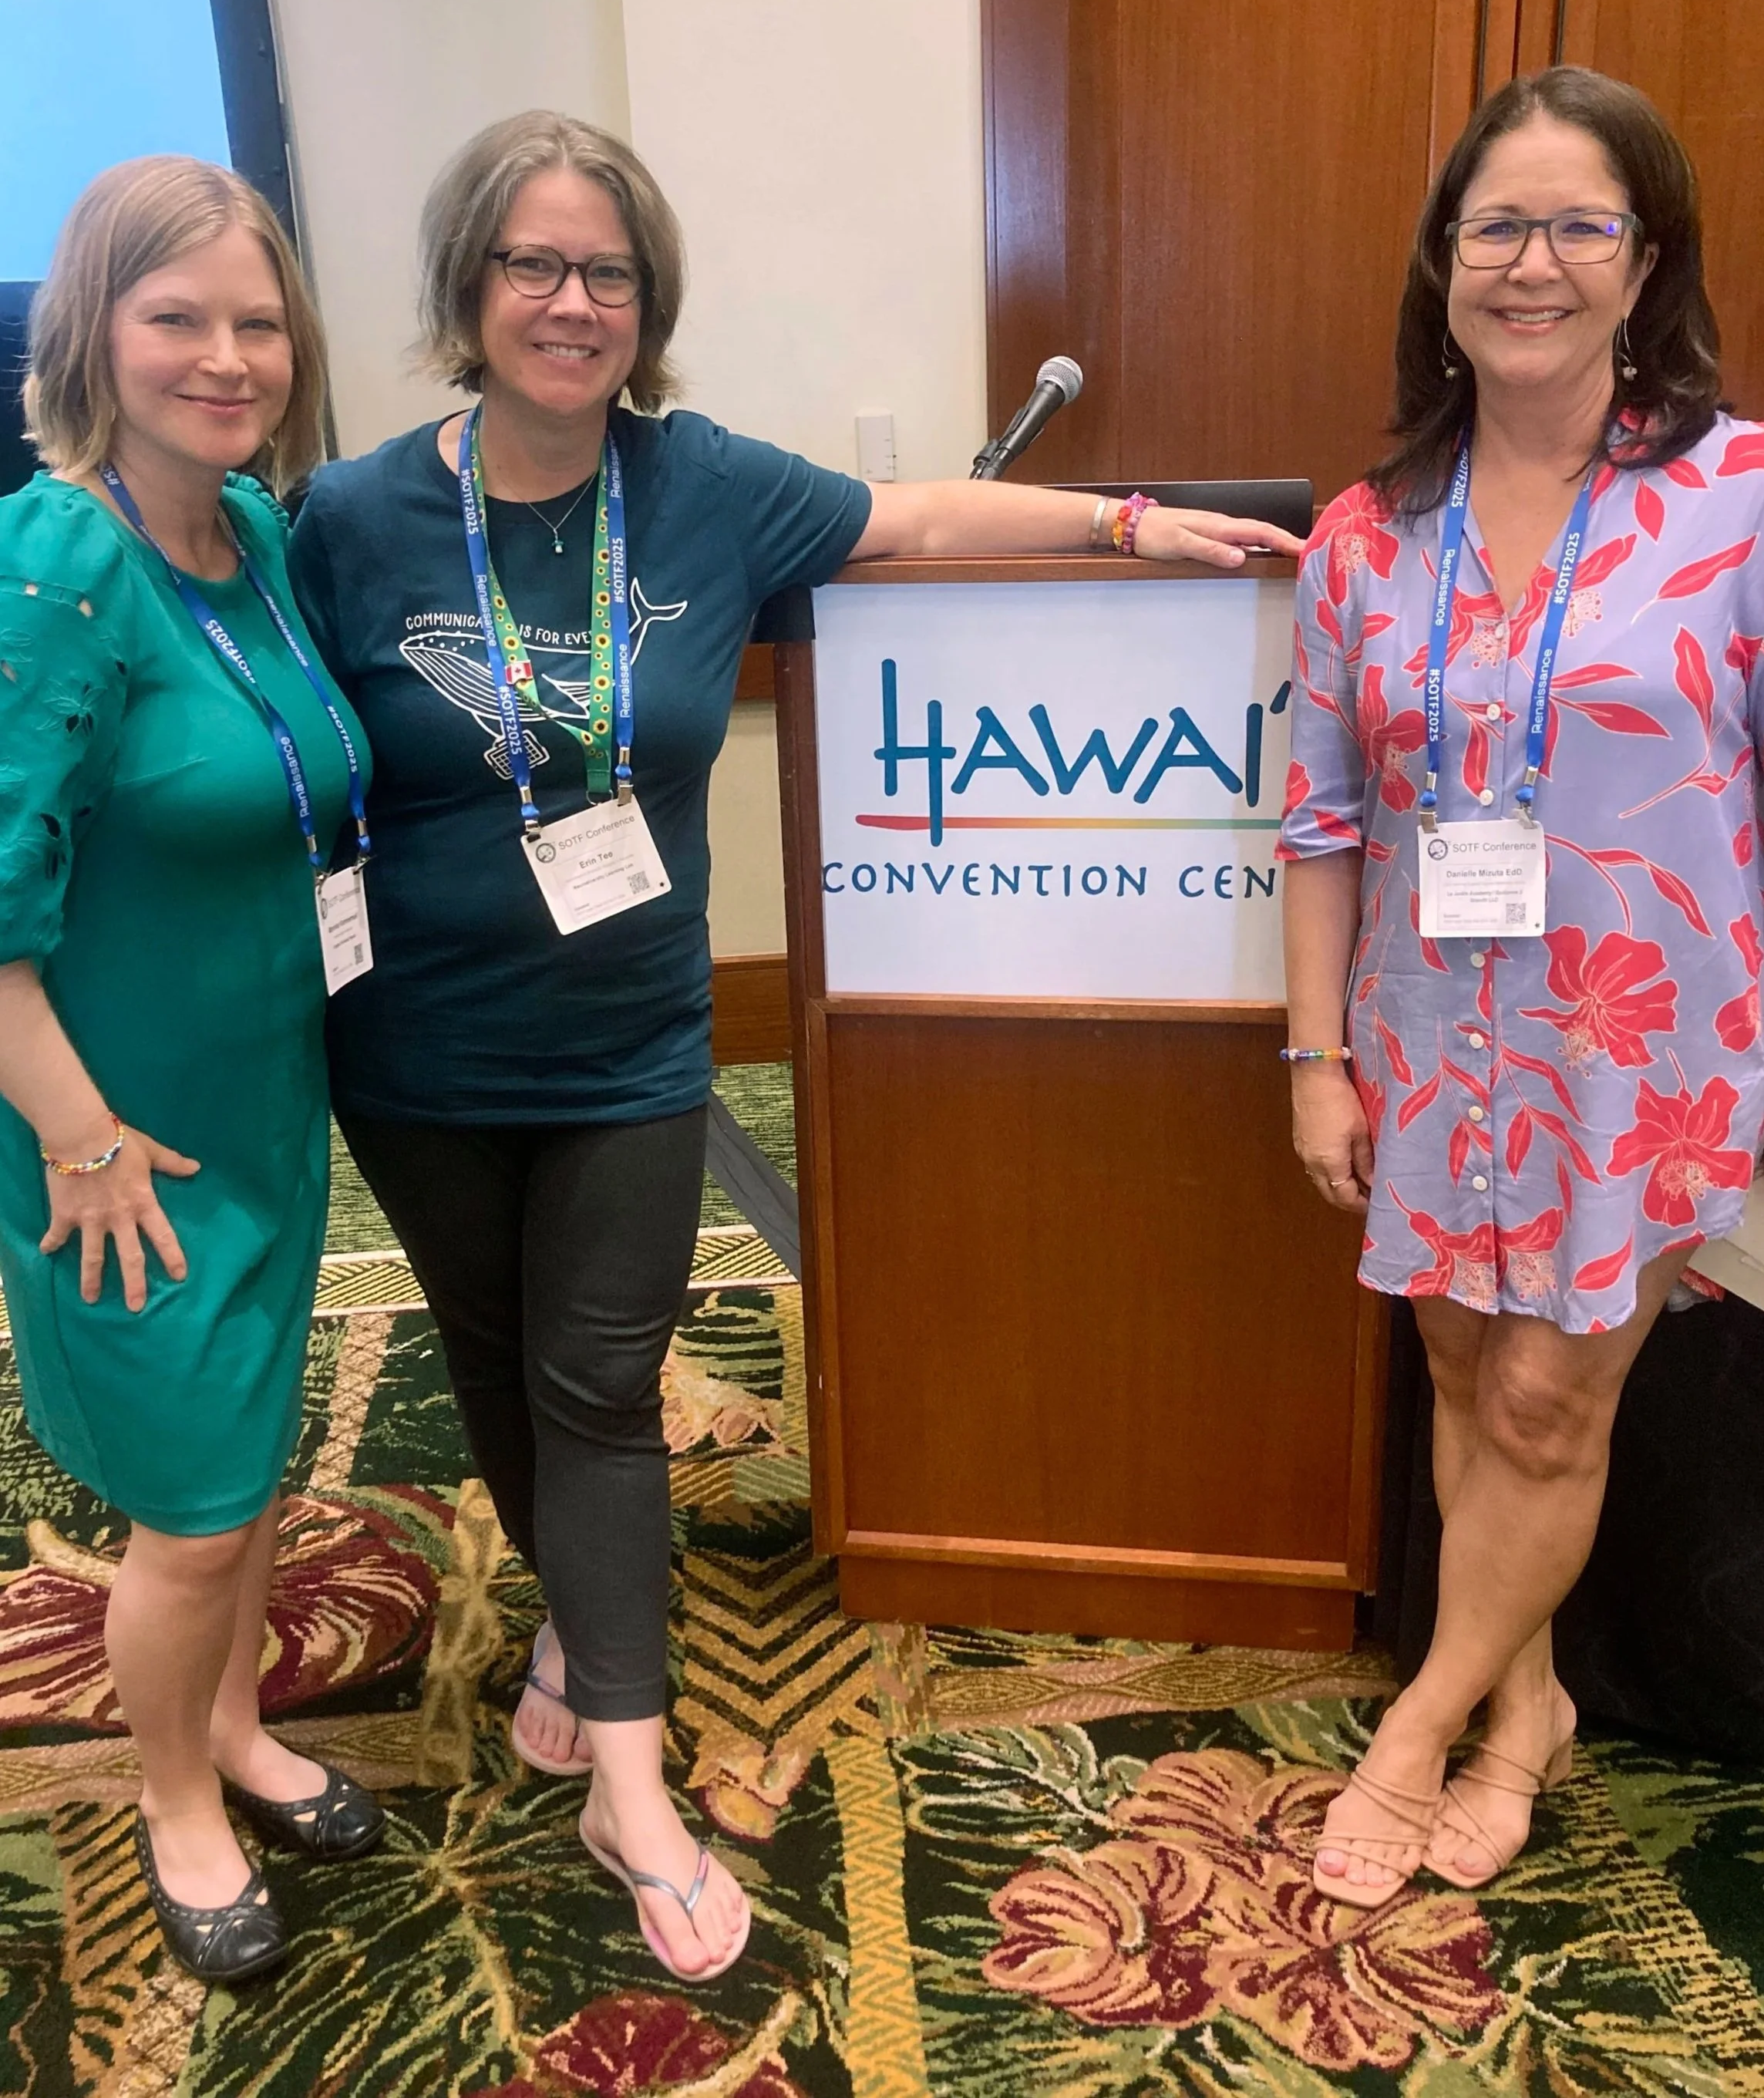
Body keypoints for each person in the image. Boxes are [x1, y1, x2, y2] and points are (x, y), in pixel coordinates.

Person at [288, 108, 1303, 1980]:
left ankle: (628, 1779)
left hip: (629, 1048)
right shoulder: (349, 518)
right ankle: (577, 1635)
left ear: (646, 302)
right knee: (496, 1356)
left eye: (606, 271)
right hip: (412, 1046)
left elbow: (911, 516)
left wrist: (1126, 519)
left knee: (603, 1381)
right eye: (531, 264)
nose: (569, 301)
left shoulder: (700, 488)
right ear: (467, 288)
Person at [1281, 66, 1764, 1904]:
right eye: (1495, 225)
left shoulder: (1752, 498)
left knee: (1542, 1404)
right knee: (1453, 1362)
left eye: (1579, 225)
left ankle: (1419, 1725)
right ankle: (1533, 1713)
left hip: (1647, 1049)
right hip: (1427, 1036)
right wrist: (1311, 1058)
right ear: (1442, 263)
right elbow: (1321, 819)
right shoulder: (1368, 529)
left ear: (1642, 258)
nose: (1532, 263)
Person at [0, 158, 383, 1983]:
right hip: (114, 1136)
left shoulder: (257, 533)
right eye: (178, 319)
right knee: (195, 1508)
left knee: (244, 1462)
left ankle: (235, 1731)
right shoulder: (65, 555)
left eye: (255, 318)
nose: (227, 356)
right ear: (93, 333)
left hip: (262, 1104)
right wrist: (76, 1139)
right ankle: (173, 1795)